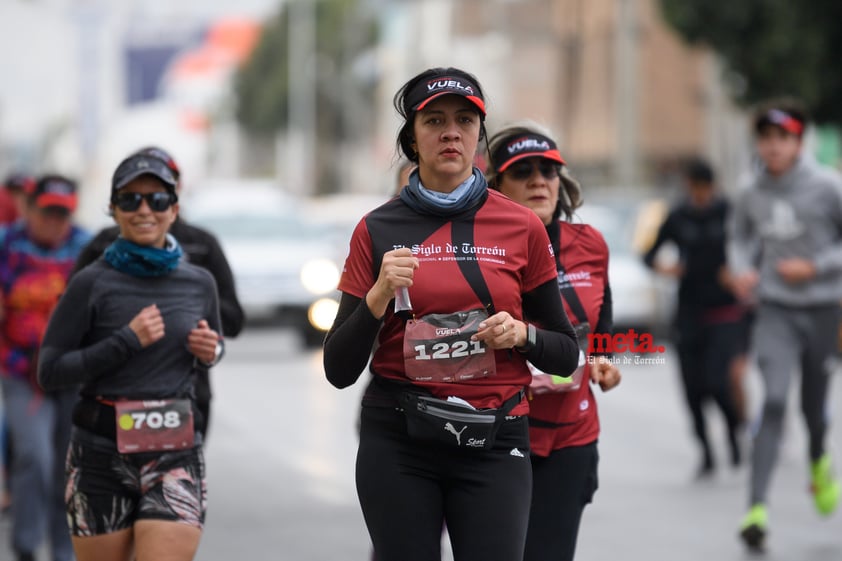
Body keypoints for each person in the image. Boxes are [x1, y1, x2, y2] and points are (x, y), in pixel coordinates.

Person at [323, 67, 579, 561]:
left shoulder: (522, 225)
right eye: (434, 120)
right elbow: (337, 370)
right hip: (400, 441)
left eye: (464, 120)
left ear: (479, 138)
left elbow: (566, 355)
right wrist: (377, 297)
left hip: (496, 438)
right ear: (412, 139)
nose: (450, 132)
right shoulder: (376, 228)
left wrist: (522, 335)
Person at [37, 152, 224, 561]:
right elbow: (50, 371)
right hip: (98, 453)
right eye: (130, 200)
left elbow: (214, 345)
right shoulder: (91, 282)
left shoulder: (199, 282)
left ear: (173, 210)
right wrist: (125, 341)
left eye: (156, 200)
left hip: (175, 451)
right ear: (113, 210)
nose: (144, 210)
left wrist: (211, 351)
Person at [486, 121, 621, 561]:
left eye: (548, 170)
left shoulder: (591, 244)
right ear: (497, 185)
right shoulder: (481, 249)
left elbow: (600, 321)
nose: (539, 181)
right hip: (501, 434)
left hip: (571, 435)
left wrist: (603, 358)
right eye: (523, 171)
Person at [728, 98, 842, 552]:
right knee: (773, 400)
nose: (773, 147)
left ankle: (818, 459)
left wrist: (814, 267)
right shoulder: (750, 191)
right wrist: (741, 269)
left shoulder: (827, 187)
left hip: (822, 310)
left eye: (784, 138)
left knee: (813, 410)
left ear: (799, 142)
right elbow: (738, 237)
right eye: (767, 138)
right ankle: (756, 508)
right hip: (774, 309)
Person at [72, 146, 244, 436]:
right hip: (110, 403)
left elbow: (232, 322)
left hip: (184, 398)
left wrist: (194, 325)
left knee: (174, 479)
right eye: (133, 196)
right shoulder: (102, 248)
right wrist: (121, 334)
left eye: (159, 194)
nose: (145, 208)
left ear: (176, 197)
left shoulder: (201, 248)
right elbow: (66, 338)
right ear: (115, 204)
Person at [0, 174, 91, 561]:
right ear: (30, 208)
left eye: (62, 214)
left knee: (68, 468)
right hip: (22, 371)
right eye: (47, 212)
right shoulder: (7, 245)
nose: (54, 221)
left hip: (72, 373)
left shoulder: (86, 247)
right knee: (34, 457)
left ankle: (63, 551)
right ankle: (25, 544)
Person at [642, 158, 748, 478]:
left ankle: (733, 433)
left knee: (718, 382)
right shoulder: (678, 216)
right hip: (688, 313)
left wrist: (738, 272)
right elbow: (648, 254)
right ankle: (706, 452)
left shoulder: (729, 212)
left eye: (703, 188)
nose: (698, 194)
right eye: (693, 188)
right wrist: (666, 267)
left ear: (711, 187)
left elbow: (754, 246)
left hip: (724, 311)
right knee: (692, 390)